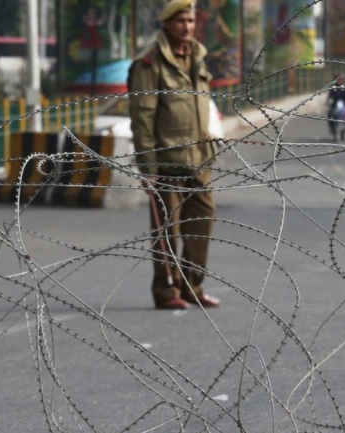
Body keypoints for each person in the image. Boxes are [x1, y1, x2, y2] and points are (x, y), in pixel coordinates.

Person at [127, 0, 221, 310]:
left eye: (191, 21)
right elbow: (142, 118)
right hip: (168, 161)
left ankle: (193, 285)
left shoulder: (197, 56)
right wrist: (147, 166)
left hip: (199, 159)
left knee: (201, 224)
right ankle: (167, 291)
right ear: (166, 24)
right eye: (181, 21)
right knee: (167, 231)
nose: (187, 27)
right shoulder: (150, 64)